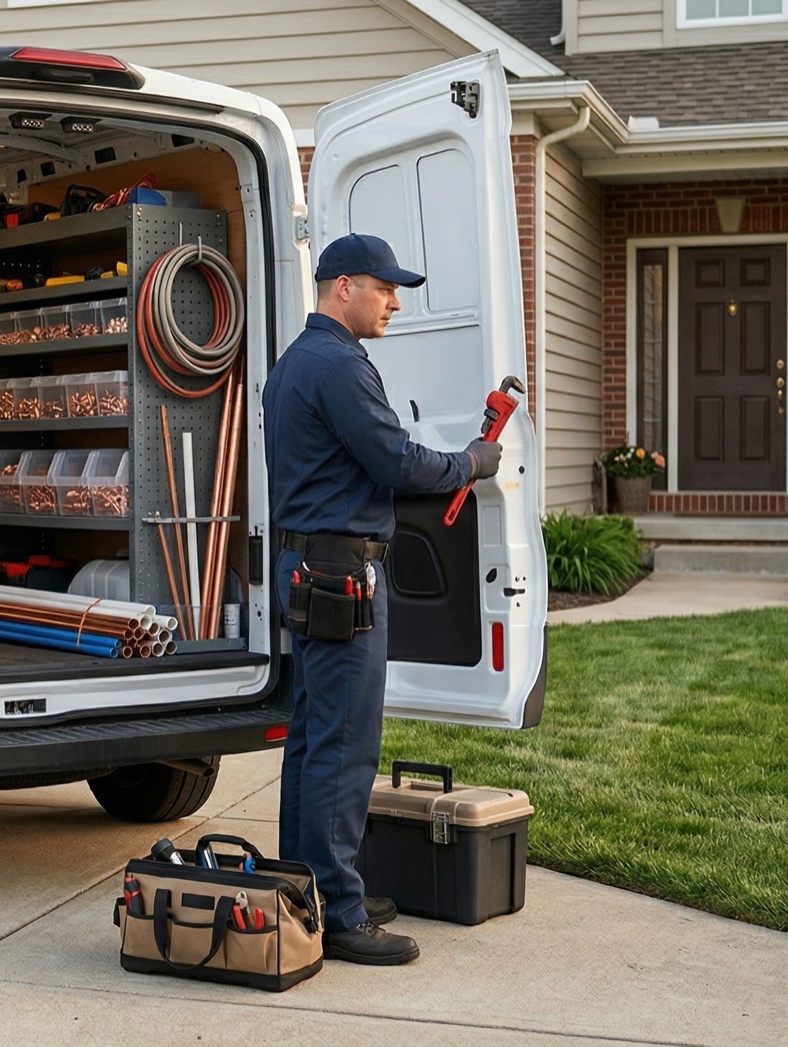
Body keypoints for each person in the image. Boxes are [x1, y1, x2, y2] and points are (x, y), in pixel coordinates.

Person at [263, 233, 503, 965]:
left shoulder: (294, 364)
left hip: (307, 567)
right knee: (342, 749)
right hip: (341, 575)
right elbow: (394, 458)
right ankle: (337, 913)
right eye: (384, 287)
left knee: (311, 741)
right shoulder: (339, 364)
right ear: (342, 287)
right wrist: (471, 460)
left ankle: (302, 893)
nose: (395, 301)